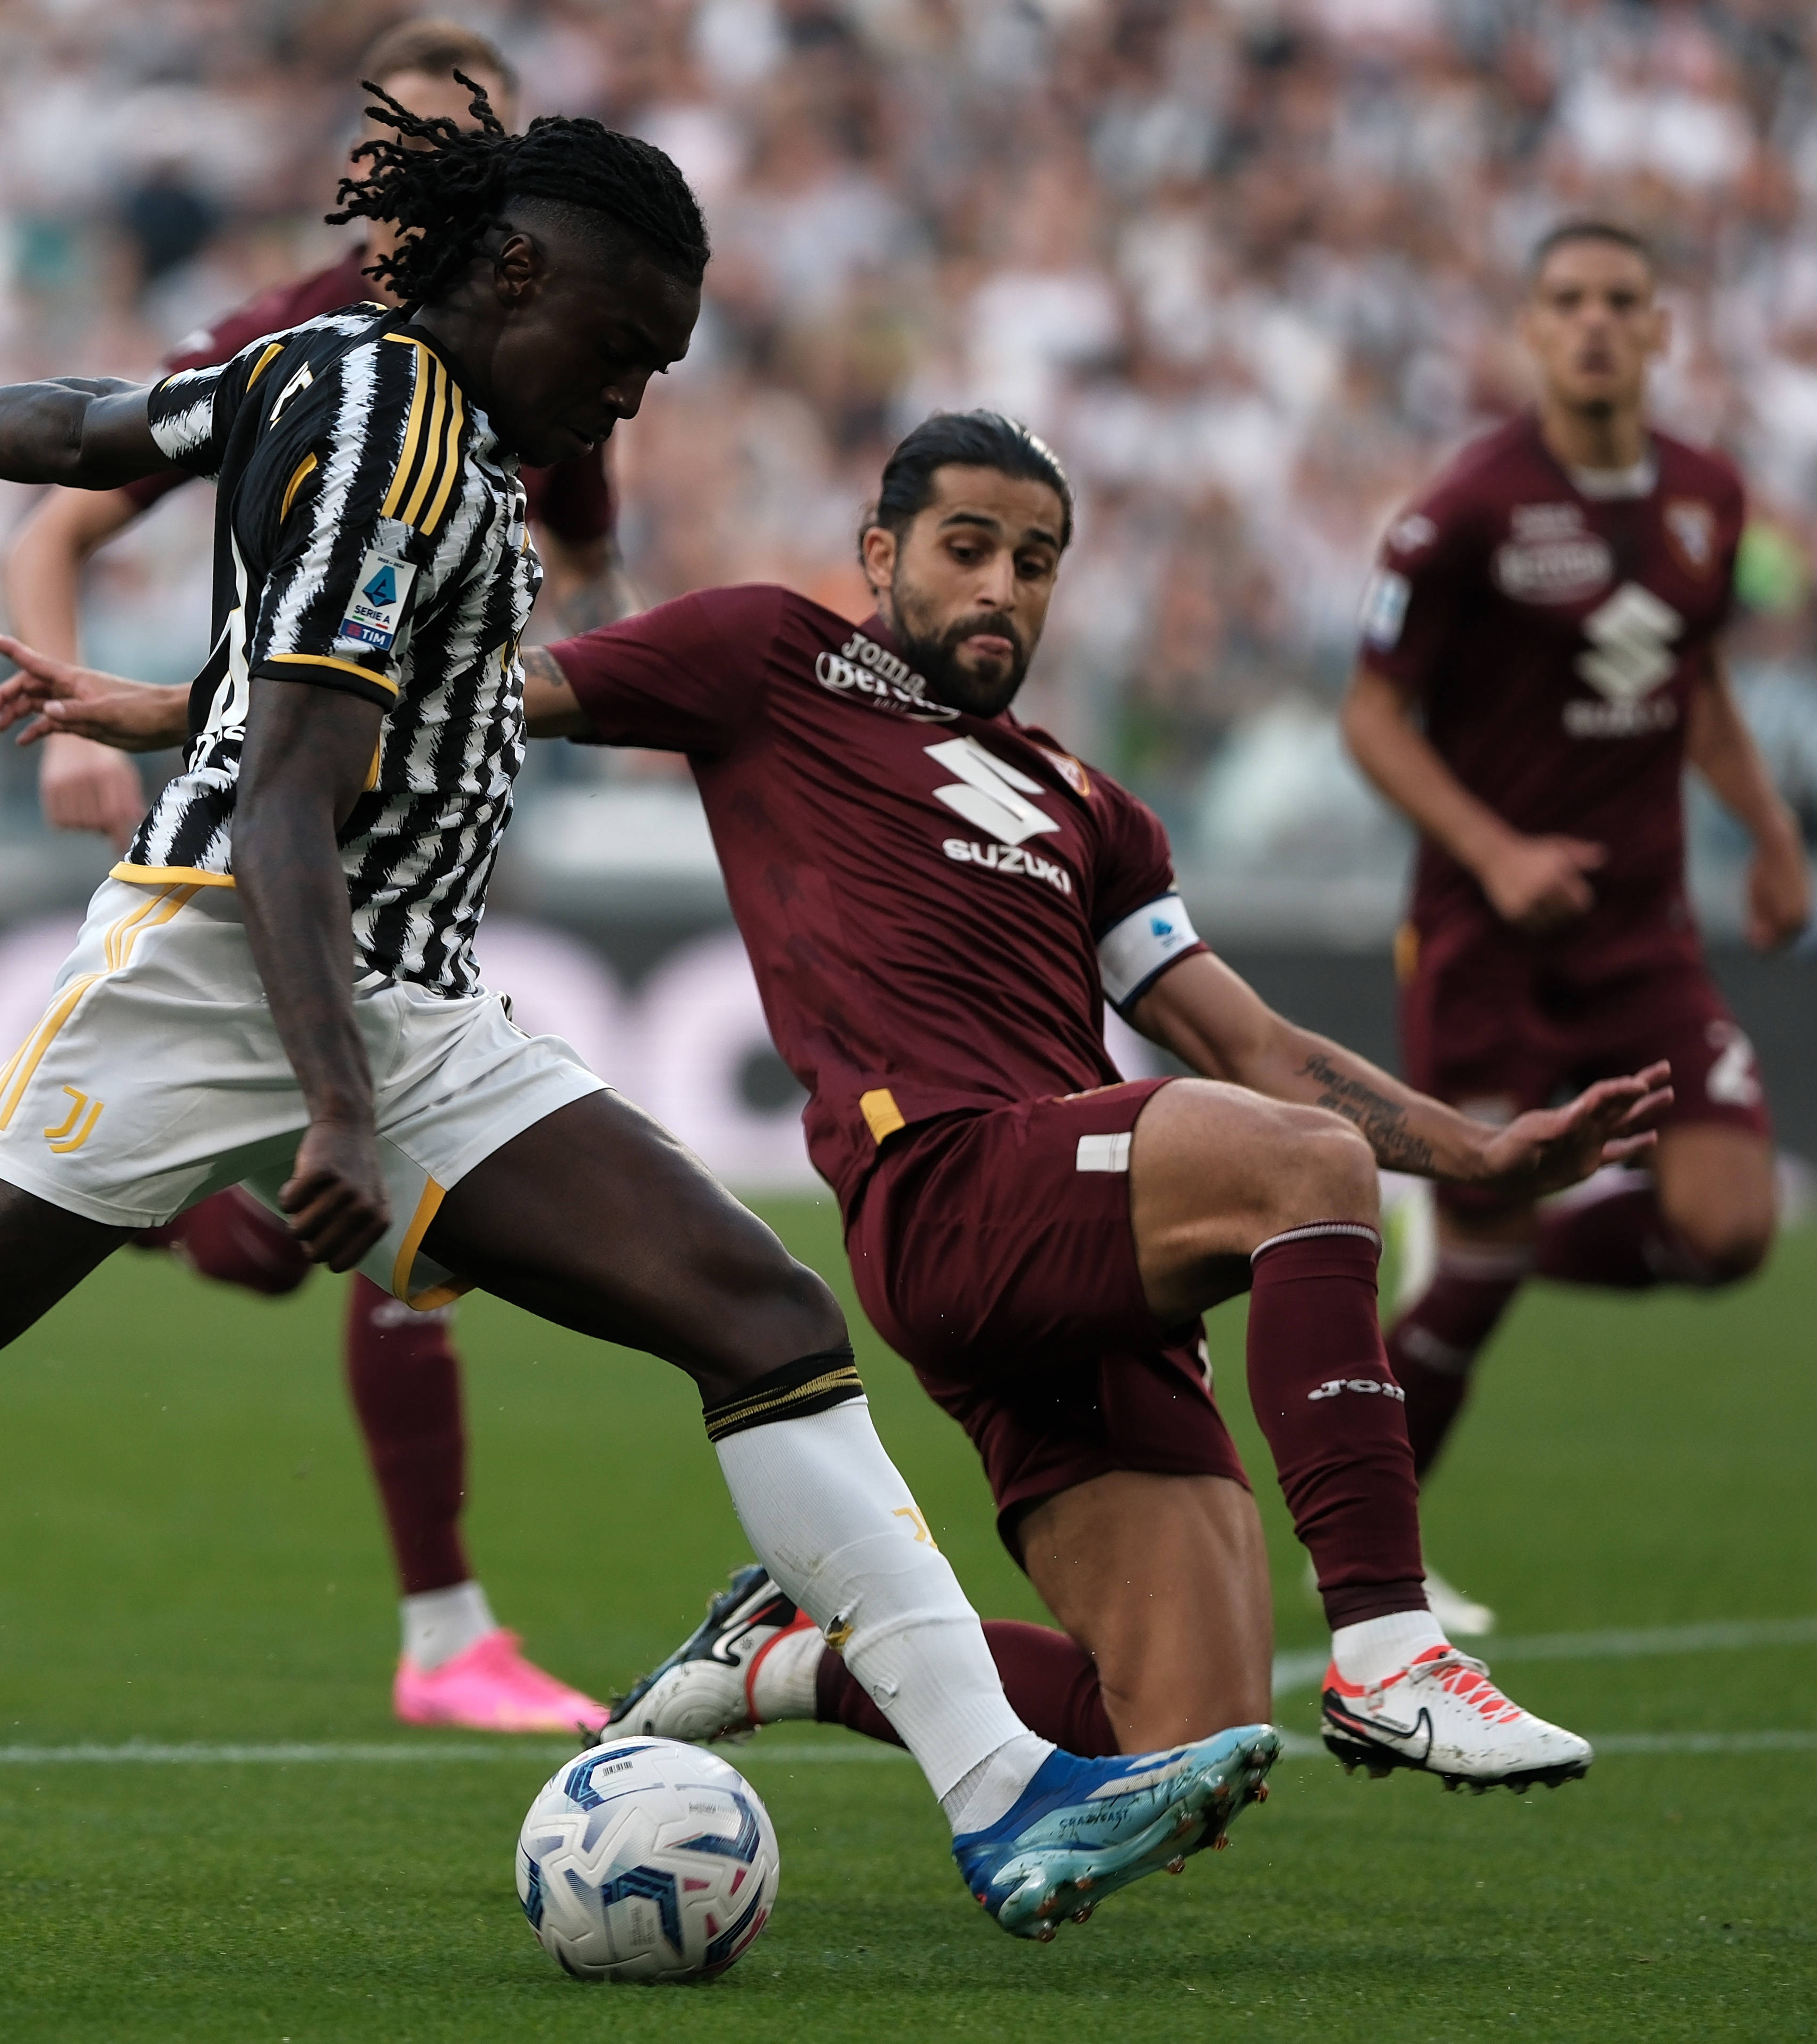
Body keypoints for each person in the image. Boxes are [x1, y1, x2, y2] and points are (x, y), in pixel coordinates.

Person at [0, 92, 1276, 1942]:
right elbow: (283, 791)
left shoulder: (340, 376)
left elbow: (109, 421)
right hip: (222, 961)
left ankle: (1006, 1792)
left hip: (399, 981)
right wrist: (337, 1120)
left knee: (758, 1319)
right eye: (630, 340)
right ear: (519, 273)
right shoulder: (393, 429)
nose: (642, 385)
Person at [512, 413, 1651, 1786]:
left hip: (1083, 1237)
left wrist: (1480, 1153)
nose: (1004, 585)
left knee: (1186, 1736)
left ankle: (789, 1651)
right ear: (883, 553)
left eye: (1037, 559)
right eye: (969, 546)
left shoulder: (1092, 808)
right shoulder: (773, 657)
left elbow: (1256, 1044)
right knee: (1306, 1167)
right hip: (949, 1186)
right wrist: (222, 718)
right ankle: (1391, 1649)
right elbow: (510, 697)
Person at [0, 21, 618, 1738]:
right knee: (378, 1203)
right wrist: (91, 718)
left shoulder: (550, 348)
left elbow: (566, 587)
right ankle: (447, 1624)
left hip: (427, 810)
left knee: (259, 1246)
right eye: (398, 134)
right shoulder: (297, 339)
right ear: (362, 146)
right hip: (279, 802)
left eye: (462, 141)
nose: (422, 172)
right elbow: (75, 495)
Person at [1342, 221, 1810, 1591]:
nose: (1595, 323)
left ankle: (1496, 1233)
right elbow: (1371, 720)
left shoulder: (1711, 498)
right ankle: (1370, 1568)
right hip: (1487, 933)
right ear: (1532, 332)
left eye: (1621, 301)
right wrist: (1493, 853)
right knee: (1476, 1271)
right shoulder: (1465, 508)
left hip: (1642, 933)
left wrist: (1773, 833)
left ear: (1661, 328)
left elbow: (1695, 683)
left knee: (1728, 1230)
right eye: (1567, 302)